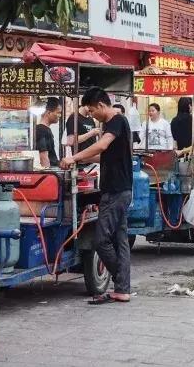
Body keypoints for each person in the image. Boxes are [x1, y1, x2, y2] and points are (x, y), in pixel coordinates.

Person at [60, 87, 133, 304]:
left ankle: (121, 281)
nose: (92, 115)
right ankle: (122, 289)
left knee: (101, 240)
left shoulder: (116, 121)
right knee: (120, 241)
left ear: (101, 105)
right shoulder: (115, 124)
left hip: (116, 192)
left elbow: (101, 146)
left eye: (92, 111)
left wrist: (73, 158)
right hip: (119, 190)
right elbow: (107, 157)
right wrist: (83, 159)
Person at [35, 97, 61, 167]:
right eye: (58, 112)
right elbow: (43, 157)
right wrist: (49, 173)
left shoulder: (46, 129)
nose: (60, 115)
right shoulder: (41, 130)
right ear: (48, 113)